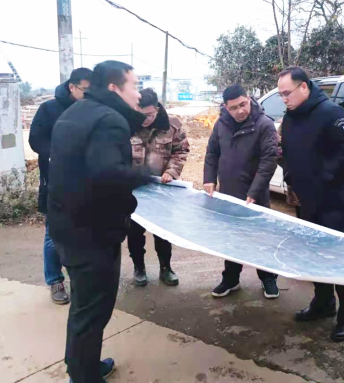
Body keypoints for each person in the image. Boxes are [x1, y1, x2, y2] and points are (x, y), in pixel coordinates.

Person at [48, 61, 152, 383]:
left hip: (66, 226)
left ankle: (83, 366)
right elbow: (107, 174)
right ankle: (84, 376)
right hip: (92, 234)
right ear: (114, 88)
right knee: (93, 310)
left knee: (83, 306)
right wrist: (145, 175)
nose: (138, 93)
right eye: (134, 85)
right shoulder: (109, 120)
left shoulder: (75, 112)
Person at [278, 66, 344, 342]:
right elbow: (287, 152)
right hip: (306, 201)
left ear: (304, 87)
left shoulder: (331, 113)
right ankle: (324, 302)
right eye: (281, 95)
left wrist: (324, 177)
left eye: (287, 93)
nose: (284, 99)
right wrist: (290, 176)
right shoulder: (290, 118)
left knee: (340, 259)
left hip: (334, 201)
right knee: (314, 255)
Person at [203, 85, 280, 299]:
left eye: (243, 104)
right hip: (229, 192)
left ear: (249, 99)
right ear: (226, 107)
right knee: (231, 238)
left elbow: (269, 160)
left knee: (260, 238)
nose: (240, 111)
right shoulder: (221, 124)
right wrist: (209, 179)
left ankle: (268, 278)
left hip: (255, 195)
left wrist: (254, 191)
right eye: (234, 108)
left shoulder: (264, 125)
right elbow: (212, 153)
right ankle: (231, 279)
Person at [29, 67, 92, 305]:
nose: (89, 95)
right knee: (53, 235)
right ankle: (55, 280)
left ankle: (80, 279)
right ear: (72, 87)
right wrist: (59, 154)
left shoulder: (90, 110)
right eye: (85, 90)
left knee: (83, 233)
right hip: (56, 182)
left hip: (86, 184)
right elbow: (35, 140)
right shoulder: (49, 109)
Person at [128, 88, 190, 287]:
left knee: (163, 232)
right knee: (134, 232)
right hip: (134, 189)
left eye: (149, 115)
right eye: (140, 114)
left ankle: (166, 268)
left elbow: (181, 150)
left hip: (162, 188)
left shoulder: (172, 125)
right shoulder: (126, 124)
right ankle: (139, 268)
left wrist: (171, 171)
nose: (144, 119)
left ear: (156, 108)